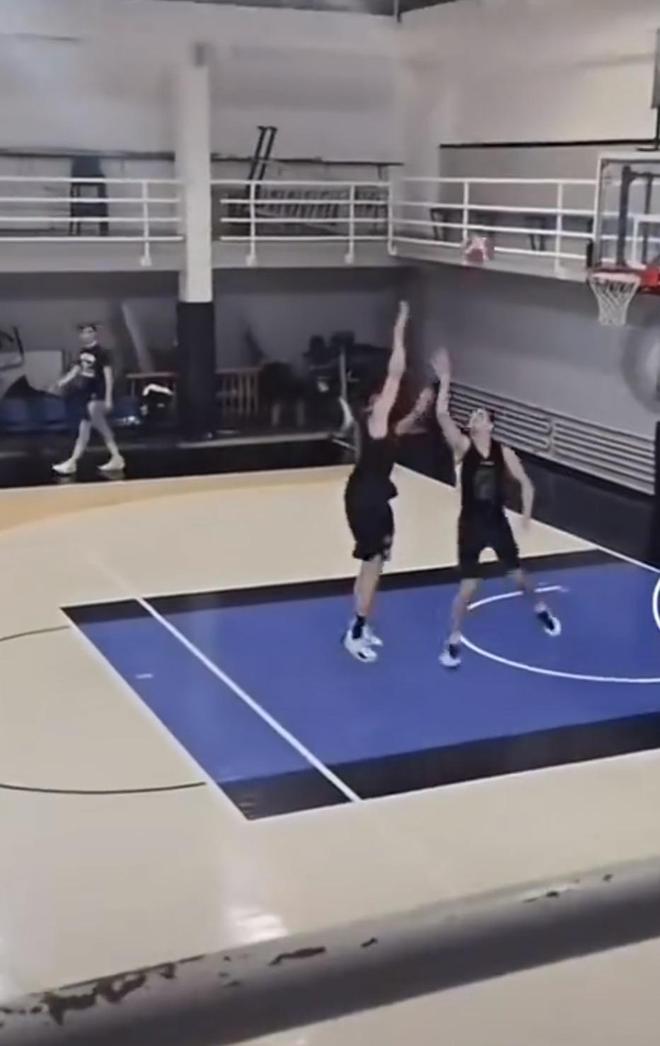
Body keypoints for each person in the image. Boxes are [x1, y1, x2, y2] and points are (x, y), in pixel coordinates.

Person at [432, 349, 560, 668]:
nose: (475, 417)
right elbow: (442, 416)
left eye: (481, 415)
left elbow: (526, 484)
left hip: (497, 523)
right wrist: (446, 379)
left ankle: (540, 608)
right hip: (471, 526)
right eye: (473, 415)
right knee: (468, 588)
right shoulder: (464, 447)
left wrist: (526, 515)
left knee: (519, 578)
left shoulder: (504, 452)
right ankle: (453, 640)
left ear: (489, 425)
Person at [343, 300, 410, 663]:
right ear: (372, 402)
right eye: (381, 395)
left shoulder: (380, 427)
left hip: (374, 497)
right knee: (372, 563)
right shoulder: (376, 418)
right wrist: (400, 329)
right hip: (366, 499)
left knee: (374, 563)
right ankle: (354, 633)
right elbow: (396, 373)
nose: (387, 397)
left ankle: (361, 622)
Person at [53, 324, 125, 476]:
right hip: (88, 393)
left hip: (99, 393)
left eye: (89, 332)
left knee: (94, 419)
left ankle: (114, 457)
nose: (86, 335)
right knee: (85, 429)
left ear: (95, 334)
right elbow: (76, 370)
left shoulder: (102, 353)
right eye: (84, 332)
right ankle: (74, 462)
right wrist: (62, 382)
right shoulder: (83, 353)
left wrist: (108, 398)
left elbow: (108, 376)